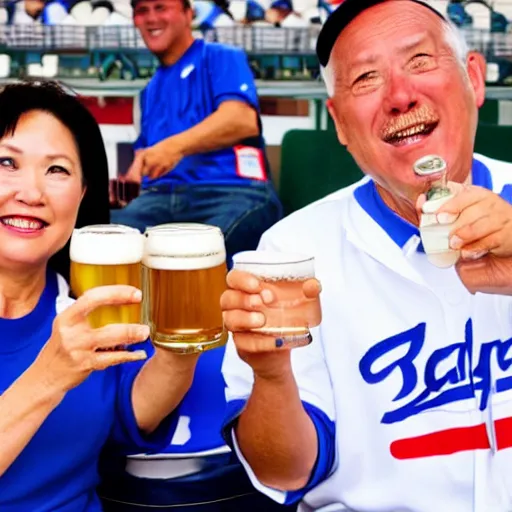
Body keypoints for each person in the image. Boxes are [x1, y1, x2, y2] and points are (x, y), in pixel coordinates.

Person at [220, 1, 512, 510]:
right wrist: (271, 376)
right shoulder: (291, 255)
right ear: (338, 122)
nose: (400, 96)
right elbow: (284, 472)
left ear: (473, 78)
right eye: (366, 78)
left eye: (420, 61)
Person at [0, 81, 201, 512]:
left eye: (57, 170)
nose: (31, 193)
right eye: (7, 163)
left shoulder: (90, 300)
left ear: (84, 192)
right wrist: (49, 376)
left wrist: (179, 349)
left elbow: (132, 413)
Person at [110, 0, 283, 267]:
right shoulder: (148, 91)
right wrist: (128, 181)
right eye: (142, 11)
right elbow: (146, 156)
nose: (151, 18)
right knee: (104, 241)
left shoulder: (220, 55)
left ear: (188, 14)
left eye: (161, 7)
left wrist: (175, 146)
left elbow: (241, 119)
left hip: (232, 191)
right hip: (159, 199)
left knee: (198, 259)